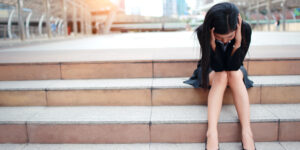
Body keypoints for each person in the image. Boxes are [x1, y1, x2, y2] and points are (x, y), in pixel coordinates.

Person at [183, 2, 256, 150]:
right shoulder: (203, 31)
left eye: (229, 36)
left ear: (237, 26)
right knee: (222, 75)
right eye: (219, 37)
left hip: (235, 68)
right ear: (212, 30)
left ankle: (247, 132)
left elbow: (234, 65)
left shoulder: (245, 29)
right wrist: (213, 45)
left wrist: (237, 43)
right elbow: (217, 66)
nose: (224, 41)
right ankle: (212, 133)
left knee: (234, 74)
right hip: (211, 68)